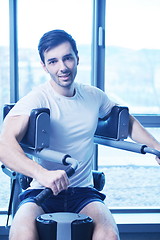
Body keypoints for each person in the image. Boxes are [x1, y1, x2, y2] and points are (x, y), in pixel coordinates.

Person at [0, 29, 160, 240]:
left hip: (83, 191)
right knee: (22, 234)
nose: (63, 67)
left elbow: (127, 123)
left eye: (67, 58)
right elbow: (4, 145)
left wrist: (156, 147)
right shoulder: (36, 99)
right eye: (53, 61)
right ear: (44, 66)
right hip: (41, 190)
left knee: (109, 234)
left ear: (77, 57)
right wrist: (42, 174)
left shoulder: (94, 96)